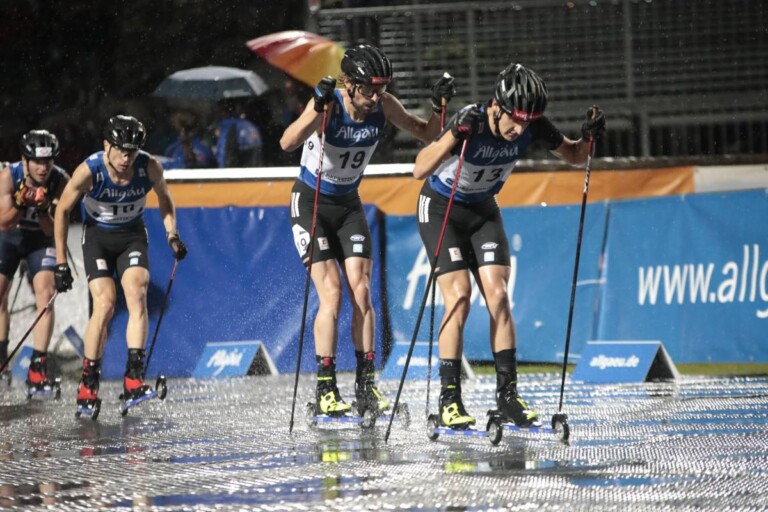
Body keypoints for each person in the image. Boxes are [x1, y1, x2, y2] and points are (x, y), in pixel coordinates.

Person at [412, 63, 606, 429]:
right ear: (497, 107)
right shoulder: (473, 120)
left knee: (499, 297)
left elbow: (575, 156)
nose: (520, 129)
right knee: (460, 296)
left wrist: (589, 138)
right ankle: (450, 398)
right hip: (441, 207)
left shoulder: (531, 125)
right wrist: (453, 131)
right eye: (515, 120)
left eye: (528, 121)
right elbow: (419, 169)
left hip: (482, 209)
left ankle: (508, 395)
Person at [279, 43, 457, 417]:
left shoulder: (385, 105)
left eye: (382, 87)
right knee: (332, 293)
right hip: (311, 203)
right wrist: (315, 104)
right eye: (369, 89)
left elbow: (428, 134)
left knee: (362, 292)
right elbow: (287, 142)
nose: (376, 96)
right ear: (349, 83)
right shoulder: (329, 105)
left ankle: (365, 385)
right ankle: (326, 386)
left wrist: (439, 108)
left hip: (347, 205)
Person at [52, 115, 187, 414]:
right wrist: (61, 263)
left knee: (137, 295)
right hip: (98, 237)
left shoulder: (148, 166)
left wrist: (172, 235)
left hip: (132, 236)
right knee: (106, 305)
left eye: (132, 151)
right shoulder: (90, 170)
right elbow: (62, 210)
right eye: (121, 150)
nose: (126, 158)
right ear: (106, 146)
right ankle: (89, 381)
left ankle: (133, 378)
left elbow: (165, 199)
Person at [0, 130, 69, 392]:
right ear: (24, 160)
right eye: (37, 162)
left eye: (48, 162)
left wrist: (41, 209)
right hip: (10, 236)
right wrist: (20, 201)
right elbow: (4, 223)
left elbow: (55, 229)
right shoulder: (8, 176)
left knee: (46, 292)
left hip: (39, 238)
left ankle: (37, 368)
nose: (43, 168)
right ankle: (1, 359)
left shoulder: (61, 181)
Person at [213, 100, 263, 168]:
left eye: (217, 111)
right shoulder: (248, 125)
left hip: (235, 174)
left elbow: (225, 156)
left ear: (223, 112)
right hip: (253, 173)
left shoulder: (229, 128)